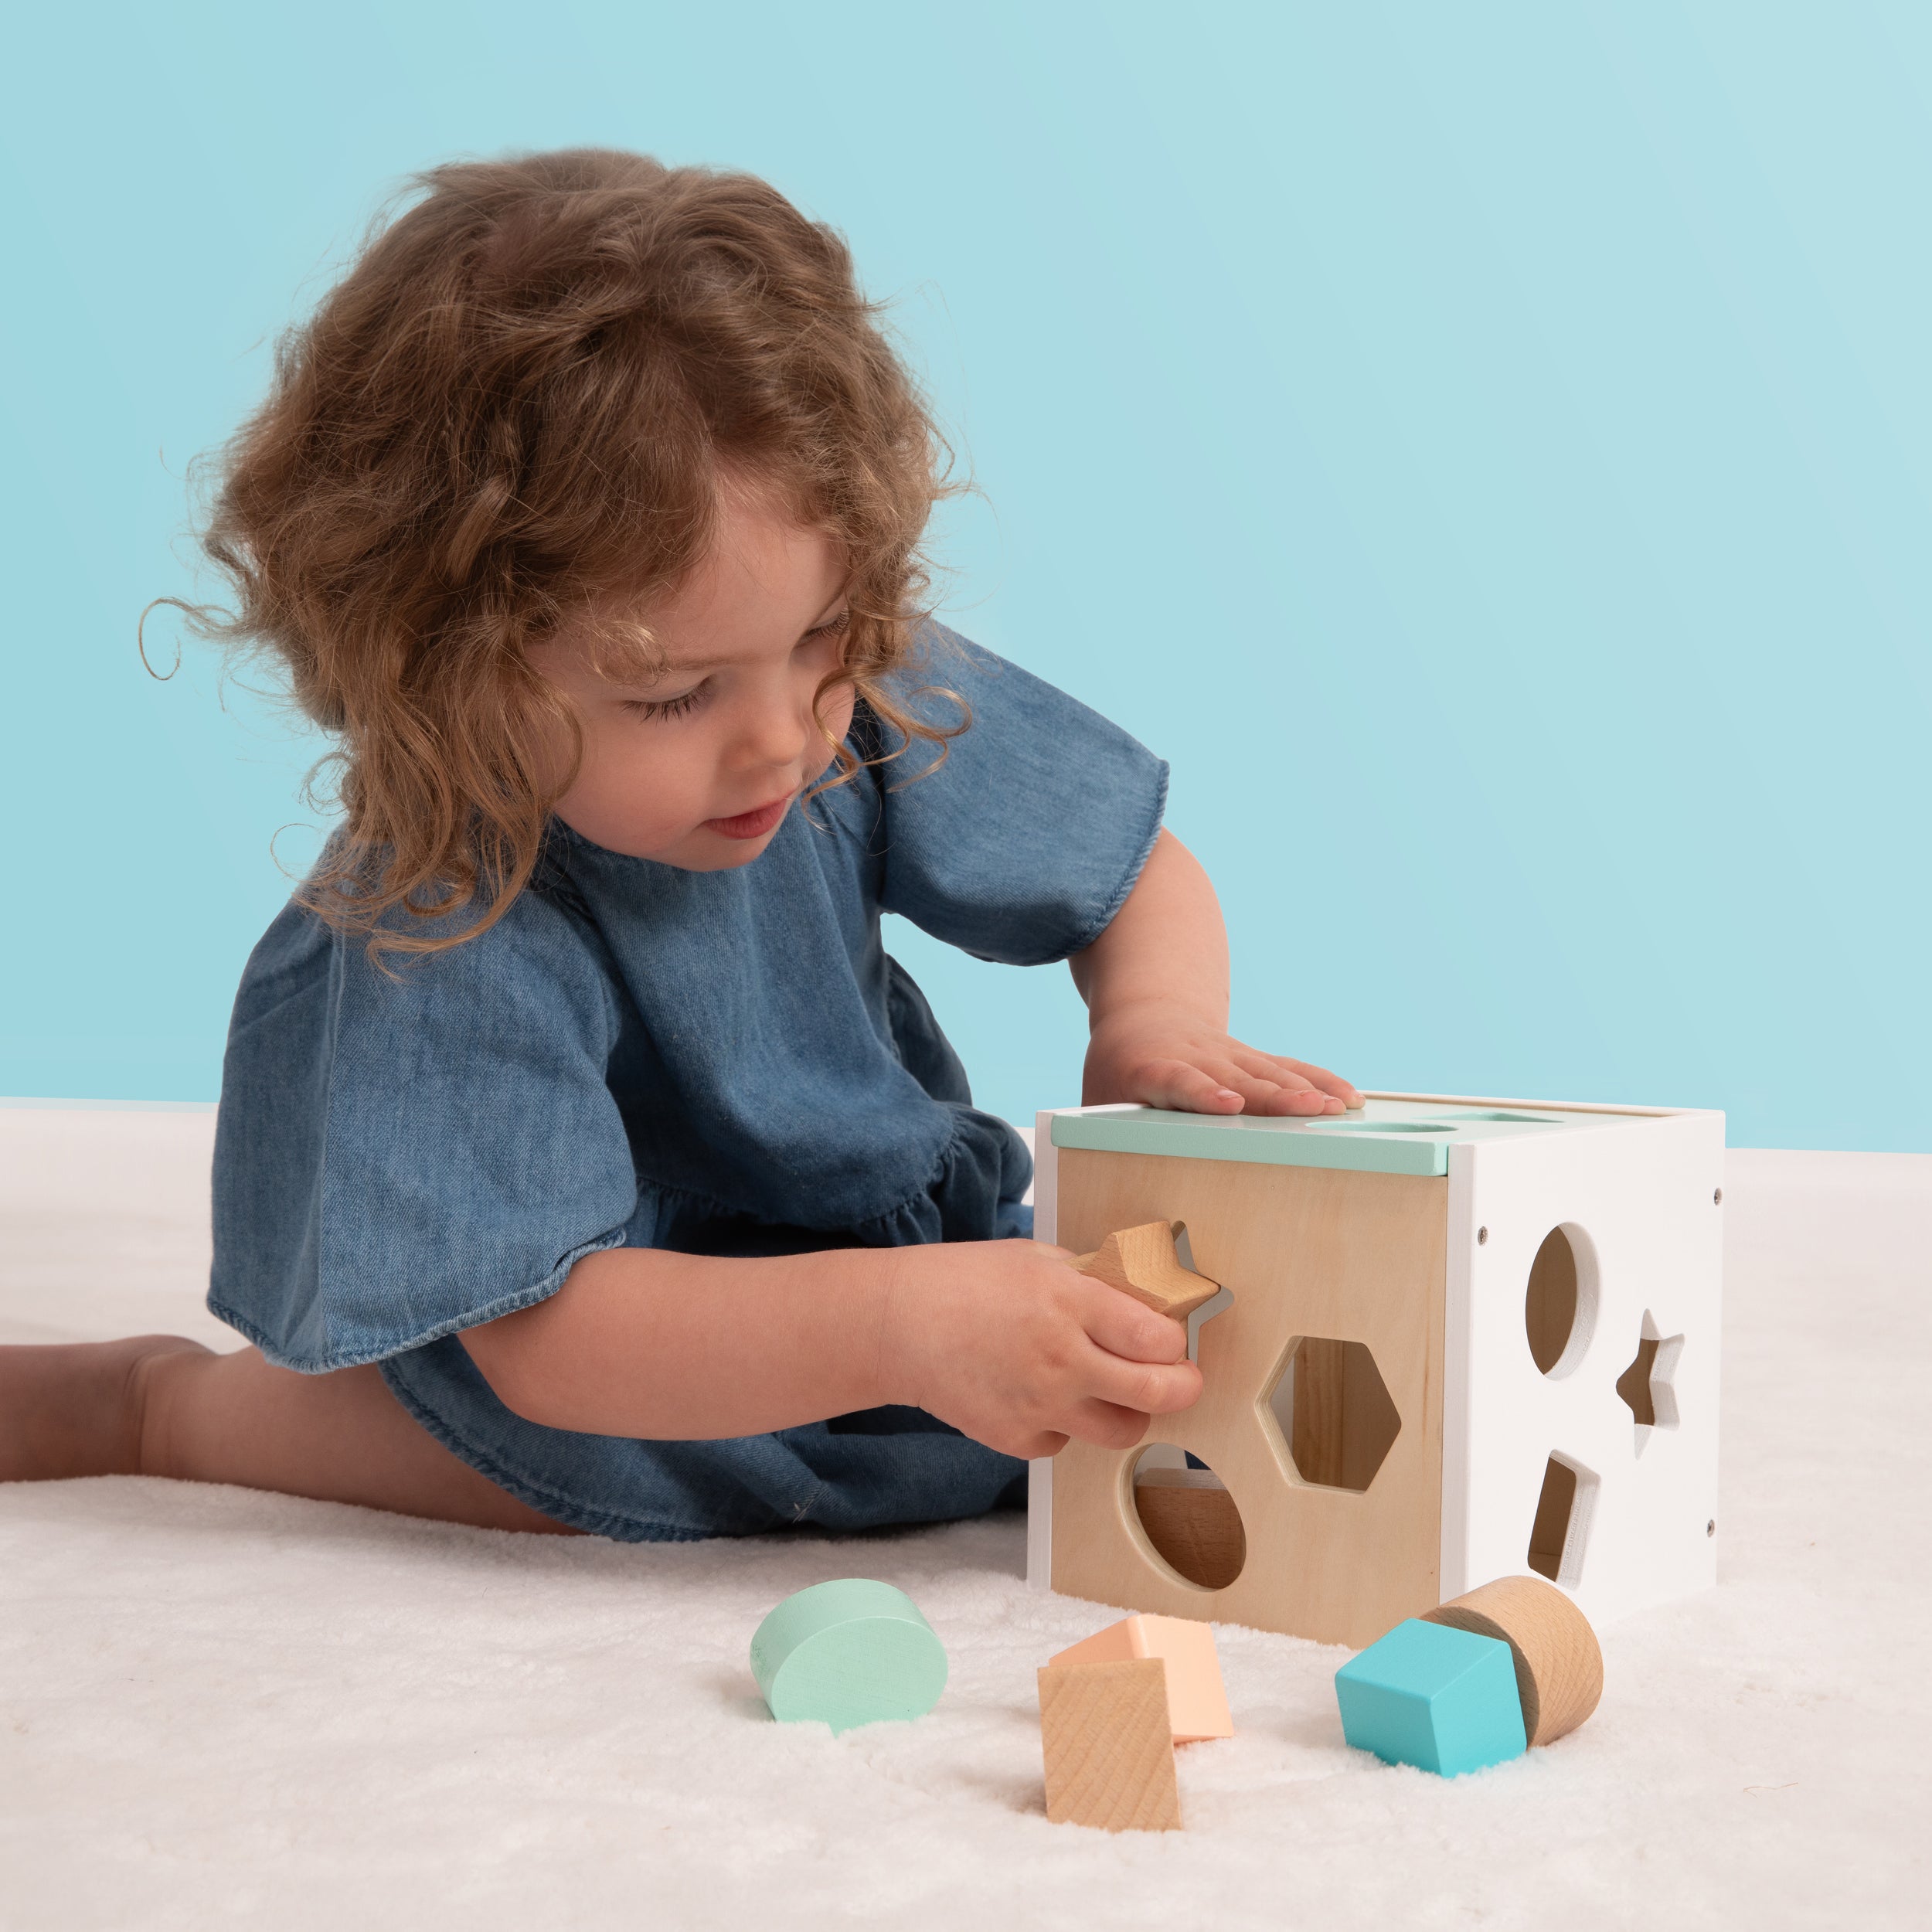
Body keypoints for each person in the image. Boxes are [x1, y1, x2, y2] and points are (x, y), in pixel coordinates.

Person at [0, 149, 1359, 1540]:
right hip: (595, 1344)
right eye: (673, 695)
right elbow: (551, 1341)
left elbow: (1132, 870)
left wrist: (1154, 1021)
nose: (782, 737)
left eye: (826, 637)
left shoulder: (833, 690)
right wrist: (899, 1322)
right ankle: (145, 1402)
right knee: (498, 1467)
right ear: (446, 673)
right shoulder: (442, 916)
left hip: (861, 1280)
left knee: (1123, 1365)